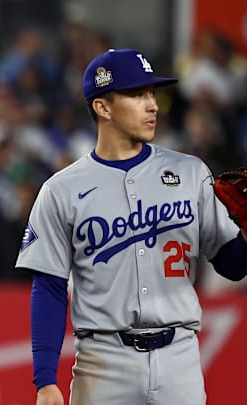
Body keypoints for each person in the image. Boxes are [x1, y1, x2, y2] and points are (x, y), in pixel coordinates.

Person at [16, 48, 247, 405]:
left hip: (179, 358)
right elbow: (48, 287)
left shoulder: (190, 173)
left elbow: (233, 265)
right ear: (102, 107)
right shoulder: (62, 189)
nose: (152, 105)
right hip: (103, 361)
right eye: (137, 94)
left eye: (153, 94)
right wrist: (45, 379)